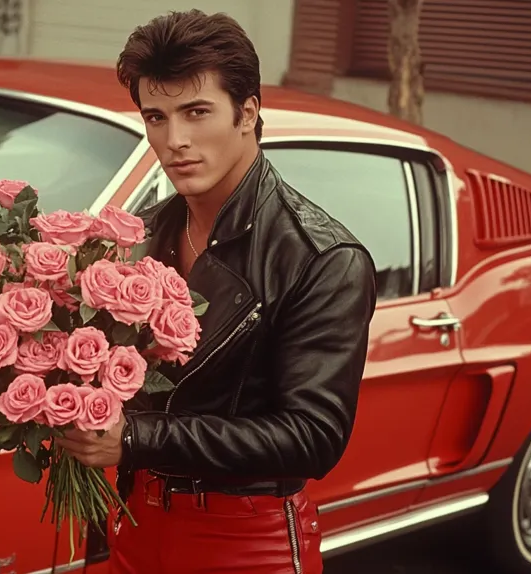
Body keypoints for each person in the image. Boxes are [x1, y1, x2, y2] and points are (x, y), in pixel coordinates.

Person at [56, 9, 377, 574]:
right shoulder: (142, 234)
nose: (174, 140)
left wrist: (137, 437)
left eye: (197, 112)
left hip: (244, 538)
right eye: (156, 117)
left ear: (247, 112)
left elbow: (313, 436)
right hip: (132, 520)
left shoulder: (321, 257)